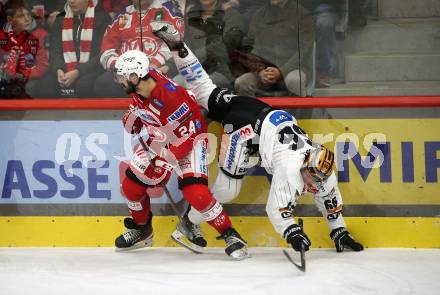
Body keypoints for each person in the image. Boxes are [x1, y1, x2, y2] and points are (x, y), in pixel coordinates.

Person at [154, 22, 364, 253]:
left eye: (317, 181)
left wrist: (339, 231)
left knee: (205, 90)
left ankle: (178, 47)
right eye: (310, 177)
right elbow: (276, 211)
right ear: (305, 164)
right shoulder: (291, 167)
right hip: (245, 130)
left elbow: (330, 201)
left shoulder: (322, 170)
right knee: (228, 190)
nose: (312, 185)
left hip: (260, 111)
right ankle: (188, 223)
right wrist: (293, 234)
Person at [113, 49, 249, 260]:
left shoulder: (171, 98)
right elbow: (139, 114)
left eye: (122, 76)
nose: (119, 80)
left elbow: (190, 134)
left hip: (190, 140)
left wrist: (165, 161)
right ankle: (142, 230)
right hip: (161, 137)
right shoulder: (139, 86)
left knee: (197, 194)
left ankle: (231, 235)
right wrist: (133, 118)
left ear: (135, 76)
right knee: (130, 186)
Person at [96, 0, 184, 97]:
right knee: (102, 84)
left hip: (156, 69)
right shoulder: (123, 16)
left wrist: (152, 66)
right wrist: (120, 68)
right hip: (124, 72)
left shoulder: (167, 10)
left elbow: (173, 43)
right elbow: (107, 50)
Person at [234, 0, 314, 97]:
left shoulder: (303, 15)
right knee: (242, 82)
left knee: (294, 81)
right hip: (263, 70)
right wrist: (260, 71)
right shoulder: (259, 15)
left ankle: (292, 113)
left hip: (293, 69)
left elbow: (304, 50)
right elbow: (249, 48)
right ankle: (254, 112)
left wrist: (281, 71)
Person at [32, 0, 110, 98]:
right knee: (44, 88)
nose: (71, 1)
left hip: (91, 70)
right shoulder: (61, 18)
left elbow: (102, 54)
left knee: (84, 87)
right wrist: (59, 70)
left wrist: (78, 72)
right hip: (64, 69)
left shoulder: (103, 18)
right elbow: (55, 51)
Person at [179, 0, 243, 89]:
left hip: (222, 69)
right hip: (194, 68)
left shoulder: (230, 14)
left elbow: (230, 42)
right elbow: (184, 45)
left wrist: (201, 53)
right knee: (175, 84)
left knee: (194, 85)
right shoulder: (192, 15)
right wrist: (170, 67)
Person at [0, 0, 48, 98]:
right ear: (10, 20)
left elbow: (43, 66)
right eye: (21, 16)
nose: (27, 19)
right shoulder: (2, 36)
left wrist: (22, 75)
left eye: (28, 15)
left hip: (29, 80)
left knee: (30, 88)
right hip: (5, 81)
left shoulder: (40, 34)